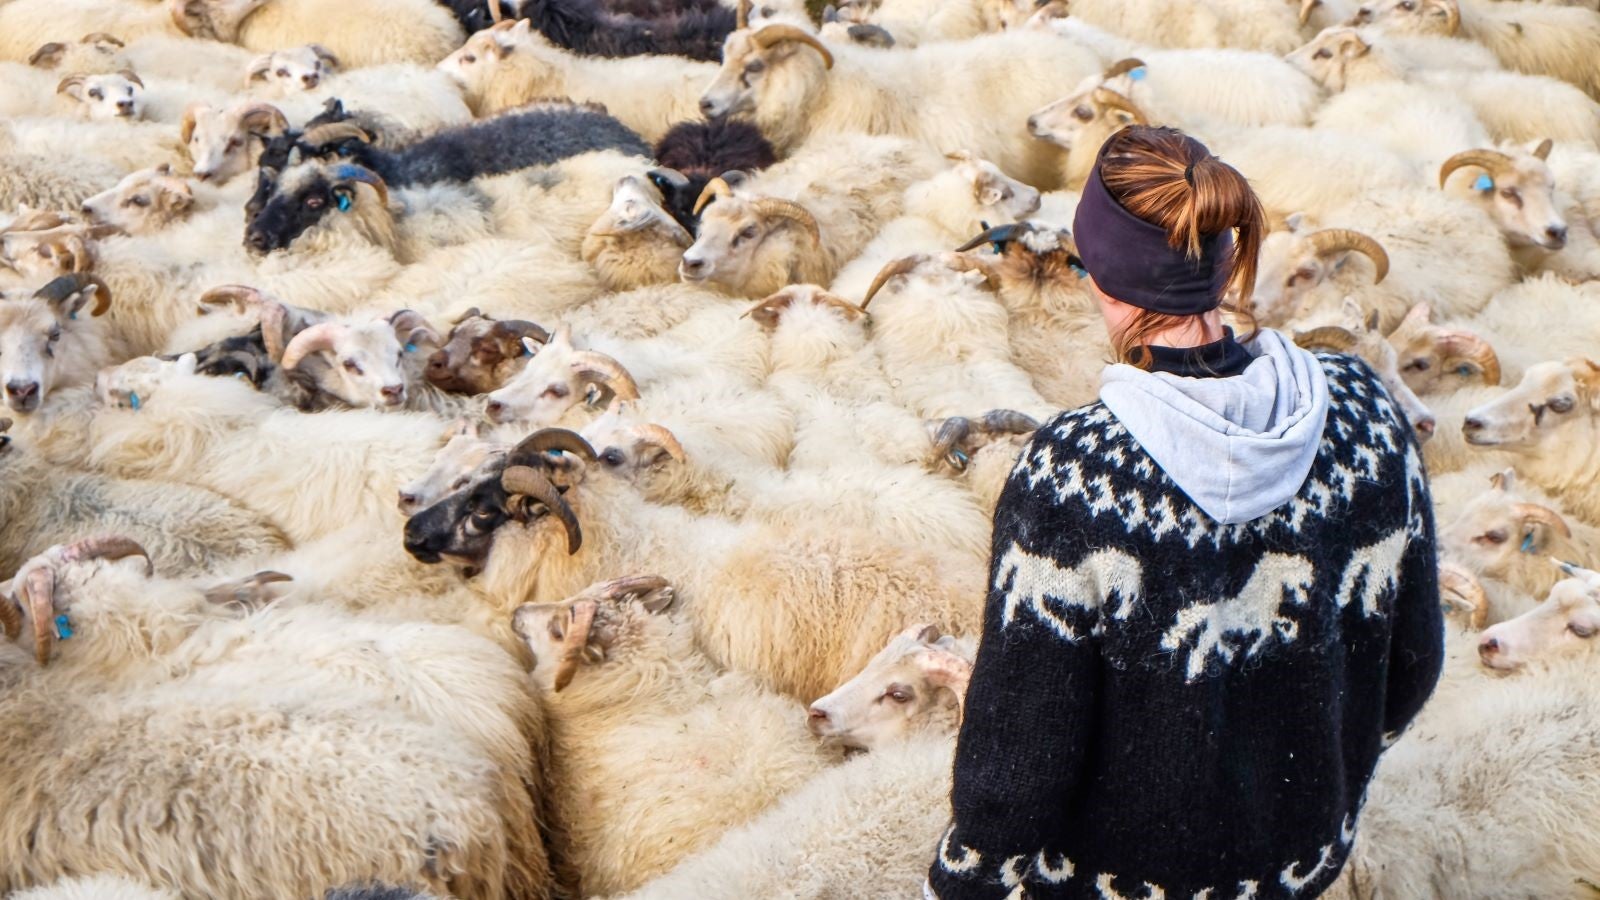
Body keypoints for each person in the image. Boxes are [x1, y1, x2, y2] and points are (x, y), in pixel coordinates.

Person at [925, 126, 1444, 899]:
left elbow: (1023, 746)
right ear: (1227, 258)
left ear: (1096, 276)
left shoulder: (1074, 477)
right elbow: (1414, 661)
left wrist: (963, 880)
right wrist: (1314, 793)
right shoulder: (1364, 410)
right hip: (1303, 861)